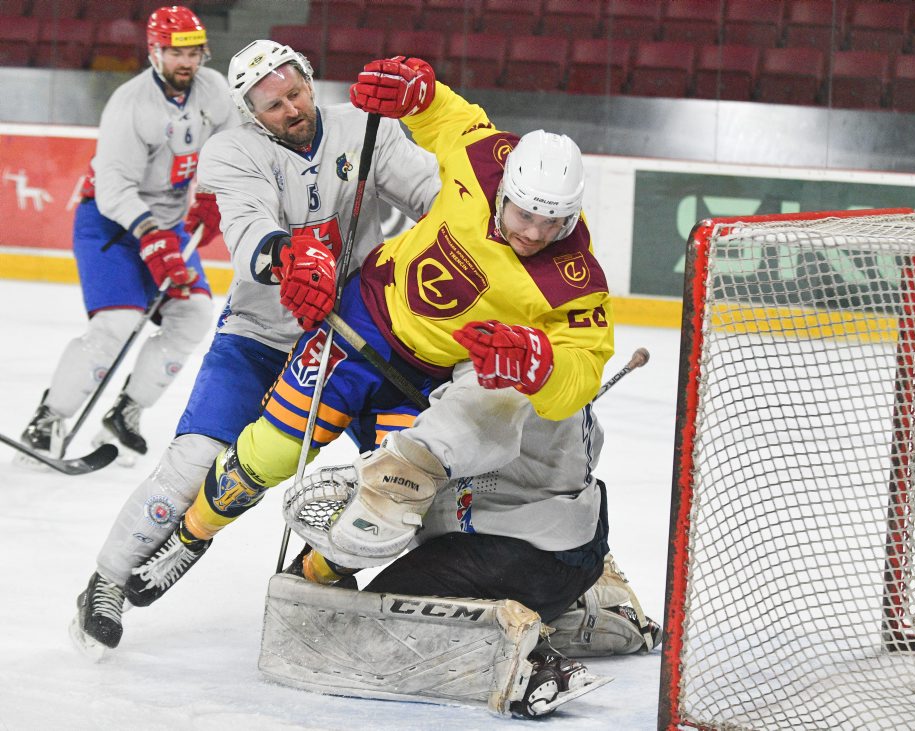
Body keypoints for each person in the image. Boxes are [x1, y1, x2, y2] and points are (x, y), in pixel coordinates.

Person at [119, 55, 616, 615]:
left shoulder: (574, 280)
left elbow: (583, 368)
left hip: (425, 375)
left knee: (394, 500)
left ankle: (312, 575)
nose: (533, 233)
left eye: (554, 222)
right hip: (364, 318)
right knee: (273, 449)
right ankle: (190, 538)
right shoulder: (486, 159)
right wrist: (419, 93)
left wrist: (544, 368)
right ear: (506, 186)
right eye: (524, 214)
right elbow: (447, 114)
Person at [69, 39, 440, 658]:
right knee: (193, 462)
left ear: (310, 80)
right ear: (250, 112)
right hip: (262, 335)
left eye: (296, 93)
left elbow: (433, 197)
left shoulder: (366, 130)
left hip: (359, 338)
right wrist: (286, 259)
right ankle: (106, 581)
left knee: (403, 478)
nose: (292, 110)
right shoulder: (233, 150)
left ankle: (317, 581)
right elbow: (247, 230)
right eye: (274, 105)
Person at [274, 362, 660, 717]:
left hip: (513, 555)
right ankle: (579, 611)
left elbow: (427, 458)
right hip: (572, 550)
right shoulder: (547, 350)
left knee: (372, 631)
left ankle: (526, 663)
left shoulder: (495, 364)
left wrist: (377, 481)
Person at [20, 5, 238, 467]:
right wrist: (152, 238)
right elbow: (116, 188)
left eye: (195, 52)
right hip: (111, 223)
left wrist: (214, 195)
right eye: (177, 53)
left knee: (195, 314)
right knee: (117, 324)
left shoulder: (213, 90)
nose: (188, 62)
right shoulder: (130, 103)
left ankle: (125, 412)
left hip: (171, 223)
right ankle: (47, 420)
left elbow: (231, 146)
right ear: (154, 53)